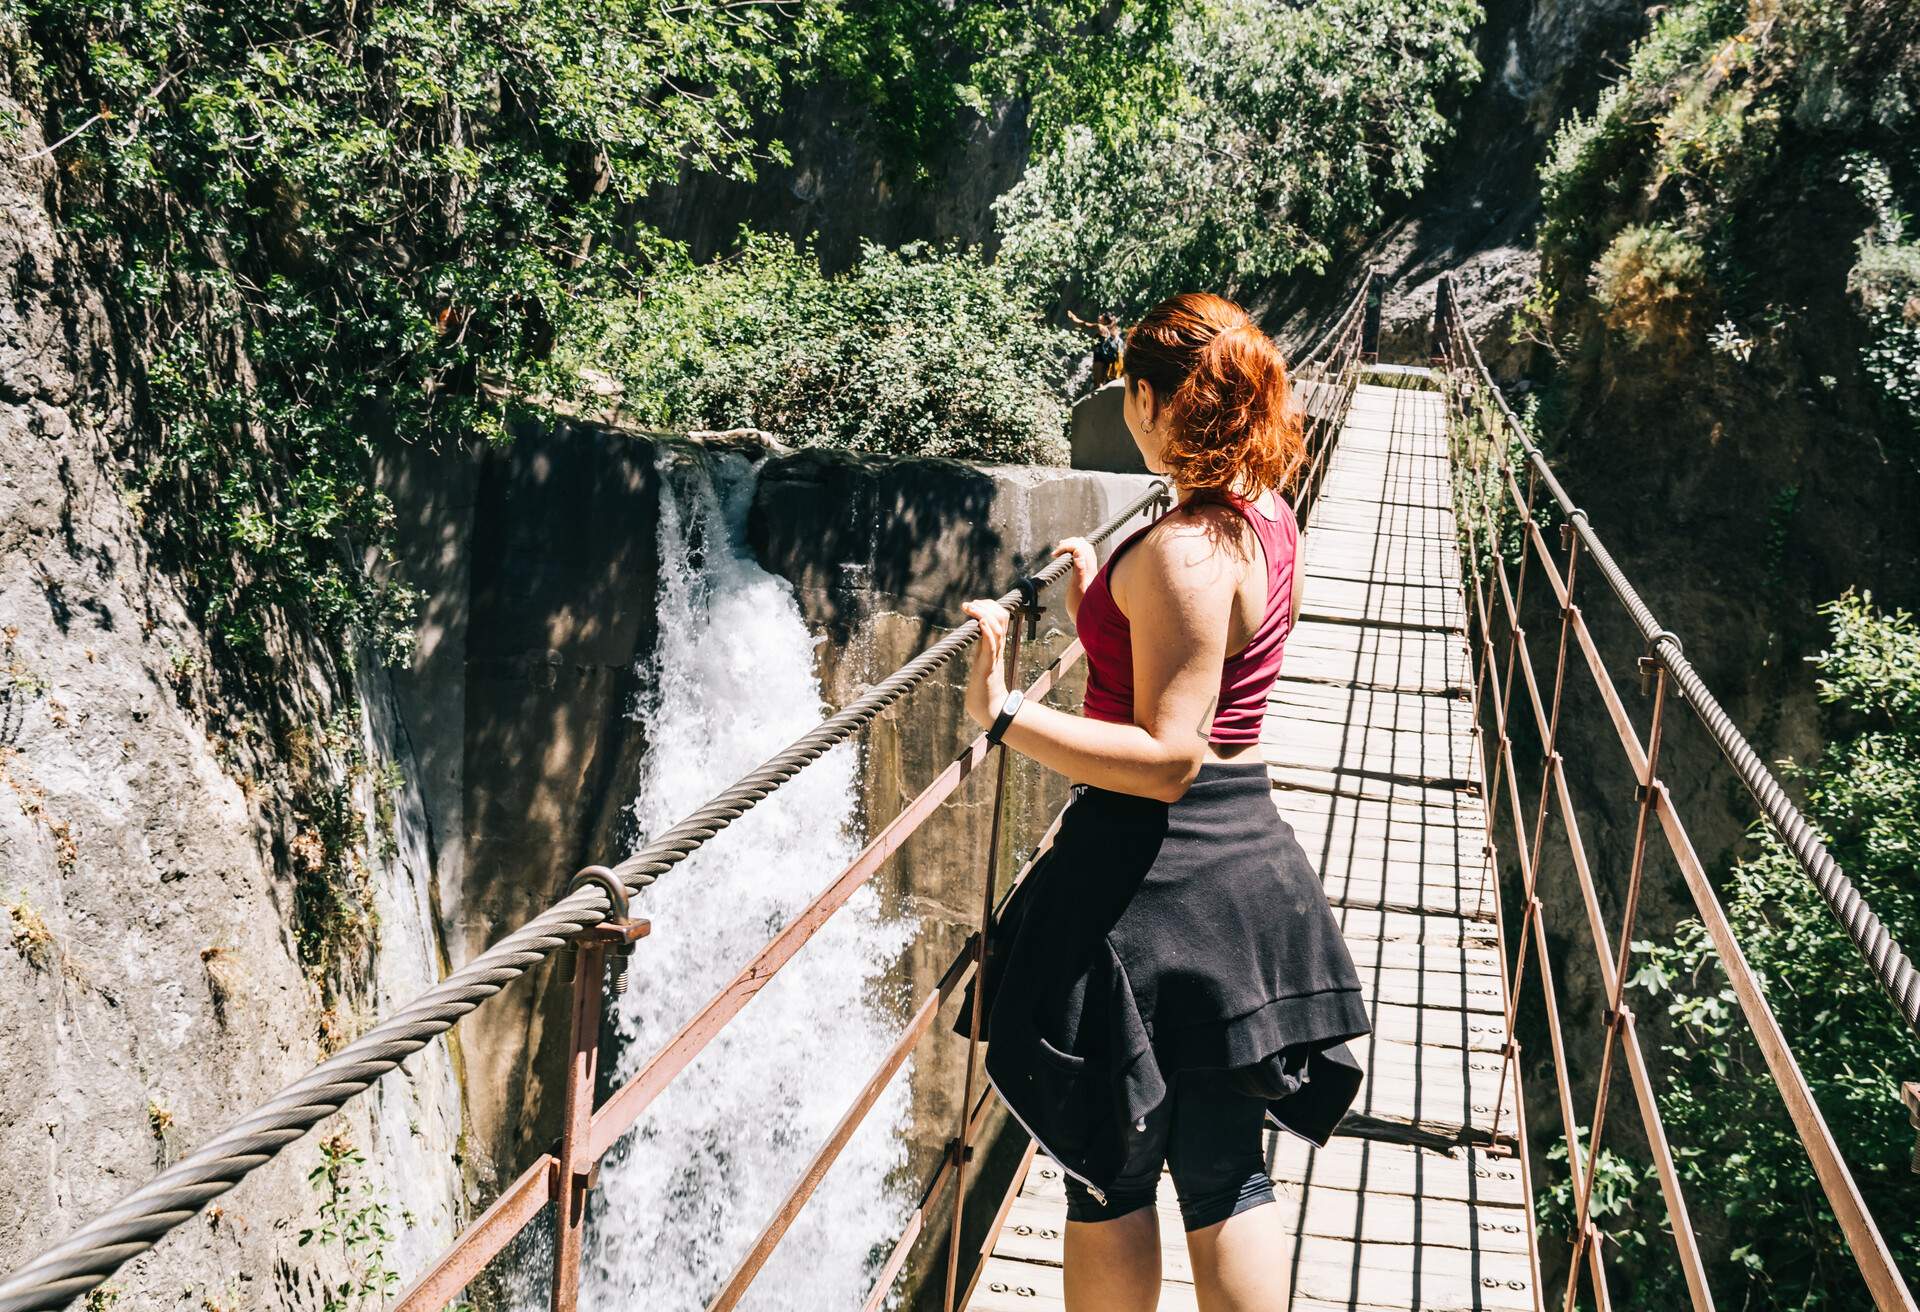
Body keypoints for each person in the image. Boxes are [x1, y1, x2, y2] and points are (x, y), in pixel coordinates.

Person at [957, 292, 1371, 1312]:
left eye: (1125, 395)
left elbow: (1166, 755)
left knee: (1112, 1172)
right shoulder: (1266, 516)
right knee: (1226, 1162)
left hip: (1154, 880)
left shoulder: (1186, 549)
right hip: (1242, 868)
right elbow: (1209, 664)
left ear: (1148, 400)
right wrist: (1099, 600)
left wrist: (1003, 712)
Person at [1069, 309, 1127, 383]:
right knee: (1101, 381)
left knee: (1098, 382)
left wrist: (1073, 317)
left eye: (1103, 315)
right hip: (1105, 358)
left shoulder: (1100, 327)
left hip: (1100, 358)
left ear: (1105, 321)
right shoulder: (1108, 331)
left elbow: (1083, 324)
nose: (1100, 315)